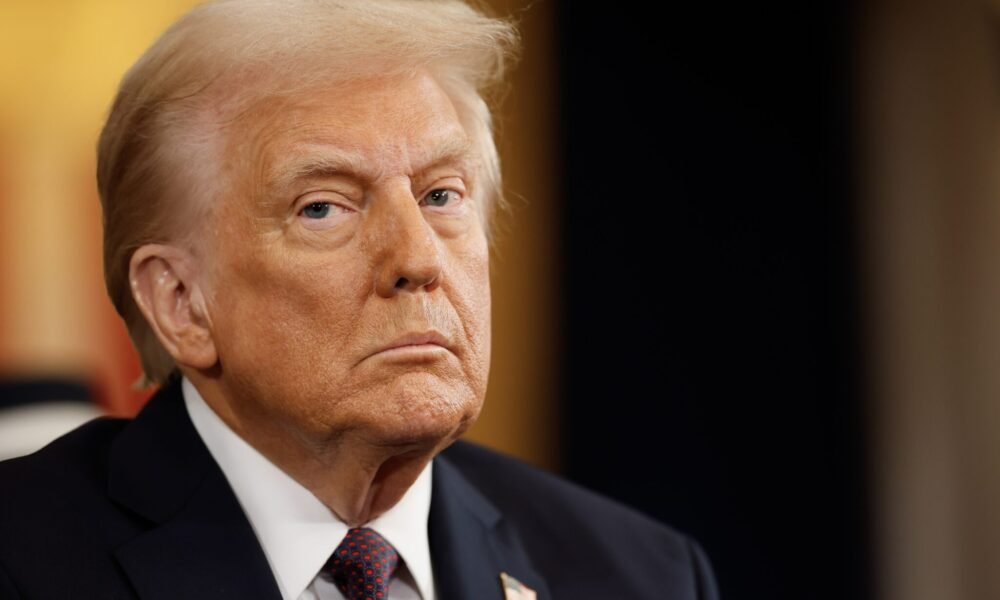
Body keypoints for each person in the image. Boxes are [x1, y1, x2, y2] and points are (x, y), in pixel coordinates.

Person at [0, 1, 719, 598]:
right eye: (324, 208)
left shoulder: (638, 575)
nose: (417, 258)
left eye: (442, 195)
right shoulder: (26, 559)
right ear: (182, 302)